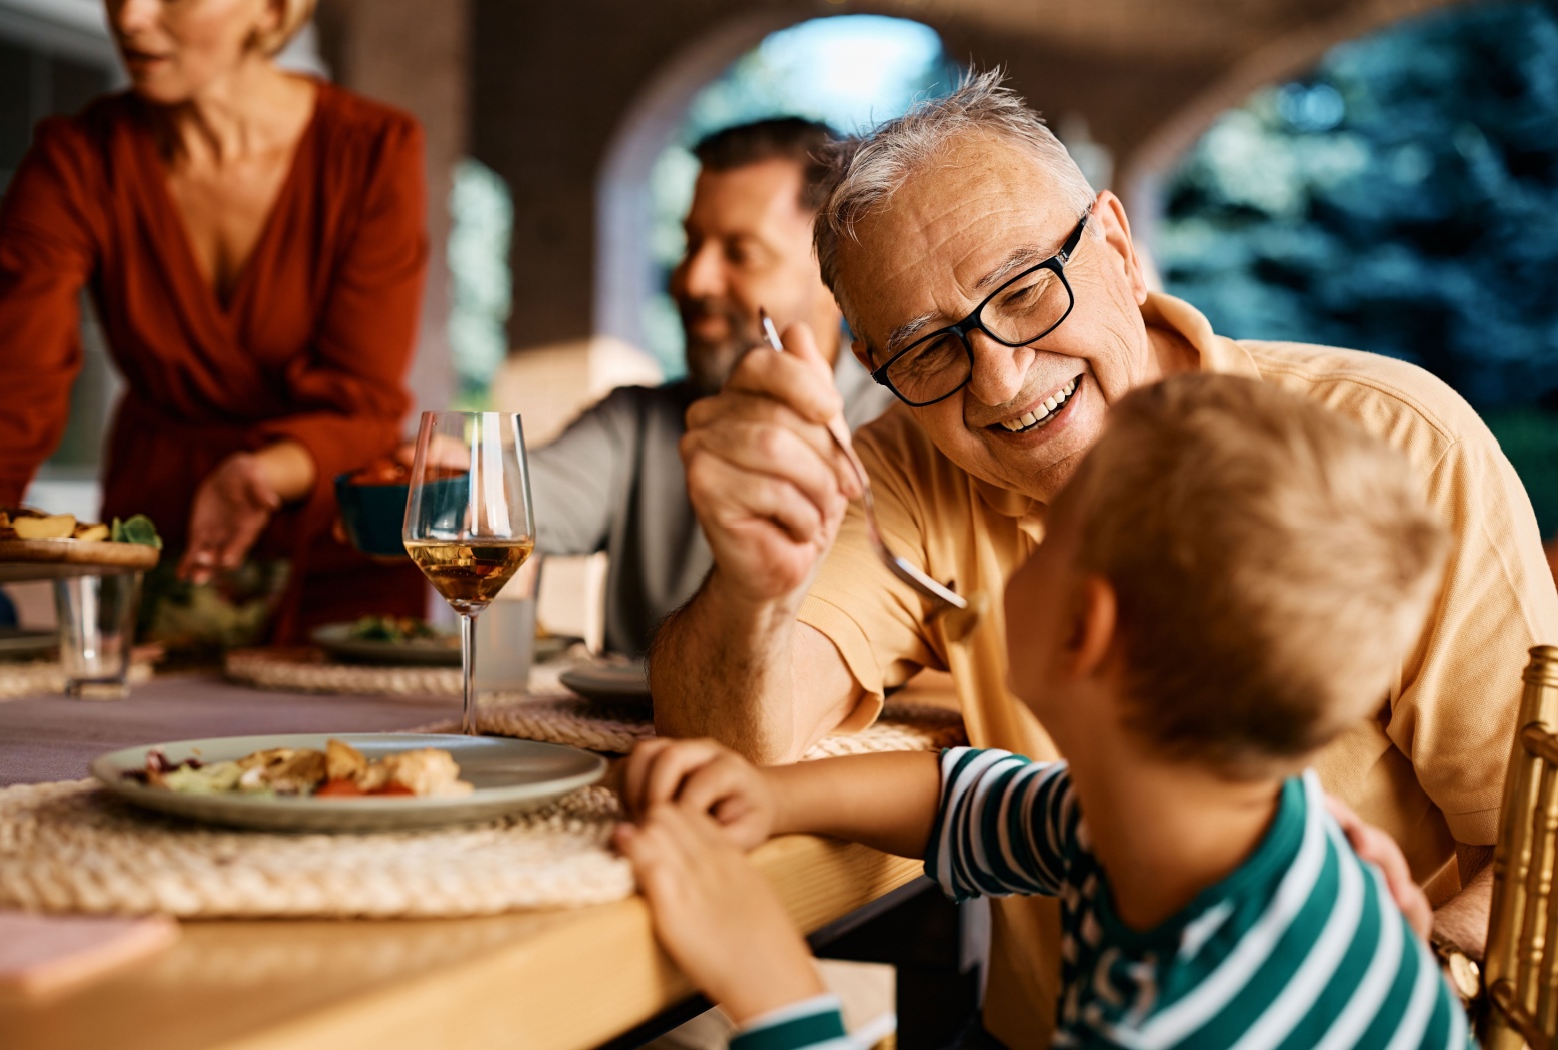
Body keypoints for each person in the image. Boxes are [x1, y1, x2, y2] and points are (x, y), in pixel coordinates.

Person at [651, 70, 1557, 1045]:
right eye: (925, 349)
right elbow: (986, 803)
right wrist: (751, 596)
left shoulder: (1401, 442)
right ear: (874, 365)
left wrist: (777, 991)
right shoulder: (1147, 822)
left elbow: (1541, 850)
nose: (998, 377)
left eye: (1026, 288)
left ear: (1119, 247)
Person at [618, 374, 1468, 1049]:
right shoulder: (1193, 825)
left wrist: (775, 990)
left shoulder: (1178, 1019)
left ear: (1081, 629)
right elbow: (988, 803)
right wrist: (771, 795)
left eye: (1048, 533)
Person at [0, 0, 426, 638]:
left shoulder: (373, 151)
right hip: (160, 544)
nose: (130, 17)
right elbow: (9, 384)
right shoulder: (75, 159)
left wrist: (259, 474)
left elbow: (363, 401)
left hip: (336, 544)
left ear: (273, 9)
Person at [528, 118, 892, 658]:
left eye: (740, 253)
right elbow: (507, 505)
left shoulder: (906, 434)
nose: (693, 280)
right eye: (691, 243)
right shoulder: (631, 422)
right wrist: (436, 480)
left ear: (837, 276)